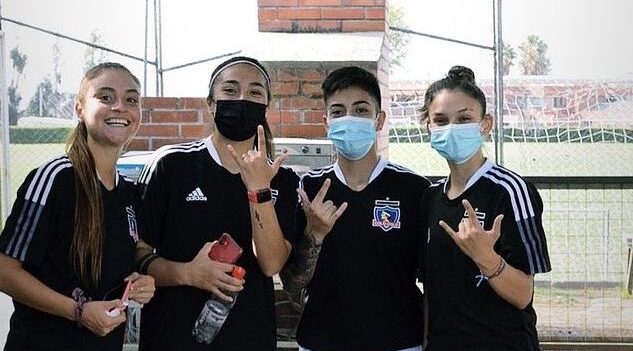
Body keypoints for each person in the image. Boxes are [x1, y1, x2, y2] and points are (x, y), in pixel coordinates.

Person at [135, 56, 299, 351]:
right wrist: (188, 273)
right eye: (230, 90)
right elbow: (138, 254)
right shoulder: (171, 165)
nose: (242, 99)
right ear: (210, 104)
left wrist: (259, 189)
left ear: (266, 107)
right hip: (172, 337)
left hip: (249, 337)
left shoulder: (282, 179)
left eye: (254, 93)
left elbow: (271, 262)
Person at [0, 62, 155, 351]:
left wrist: (139, 282)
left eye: (131, 99)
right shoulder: (55, 178)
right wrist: (79, 312)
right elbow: (5, 270)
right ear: (79, 109)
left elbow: (118, 261)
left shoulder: (128, 192)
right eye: (106, 97)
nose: (120, 107)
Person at [280, 66, 431, 351]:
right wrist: (315, 235)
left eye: (360, 110)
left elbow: (433, 285)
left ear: (379, 120)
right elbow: (291, 283)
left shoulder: (414, 189)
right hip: (321, 342)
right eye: (338, 112)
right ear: (326, 122)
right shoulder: (308, 189)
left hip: (399, 342)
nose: (348, 118)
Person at [419, 65, 551, 351]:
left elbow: (522, 295)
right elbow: (431, 289)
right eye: (440, 120)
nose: (451, 128)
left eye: (464, 118)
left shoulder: (511, 190)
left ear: (485, 124)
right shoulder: (429, 197)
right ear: (428, 126)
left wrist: (485, 258)